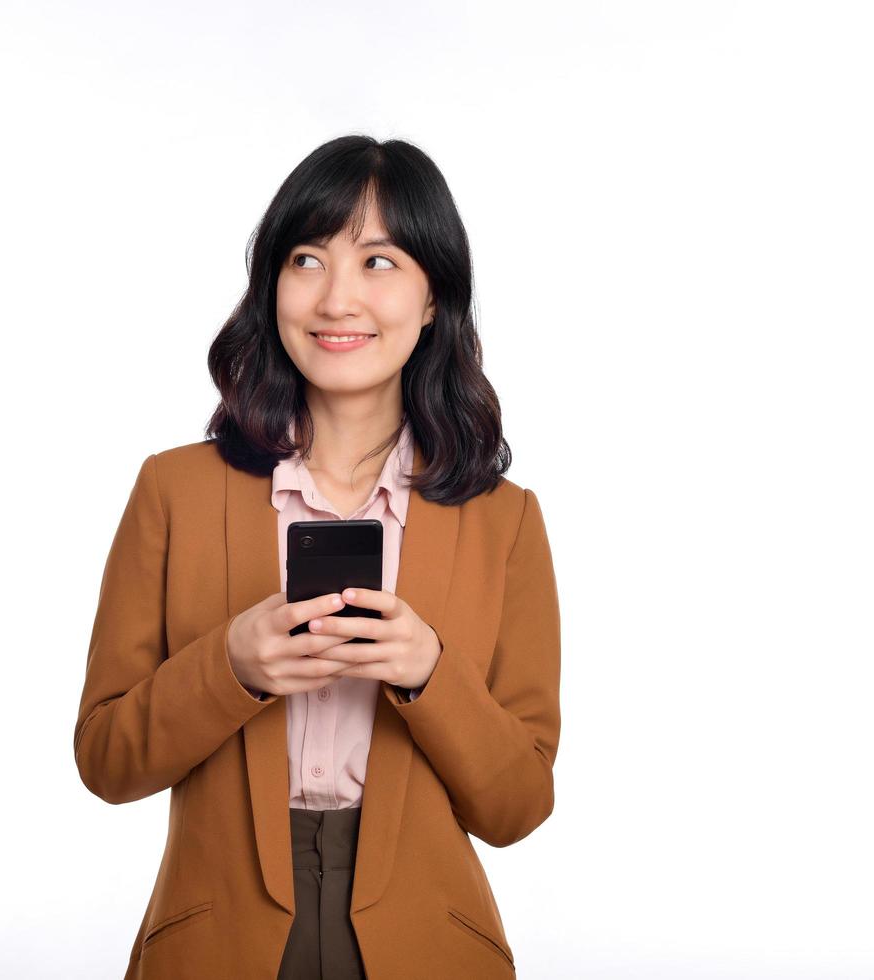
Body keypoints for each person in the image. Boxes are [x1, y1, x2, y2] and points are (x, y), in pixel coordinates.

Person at [74, 134, 561, 979]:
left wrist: (427, 671)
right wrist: (229, 665)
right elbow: (108, 761)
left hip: (427, 948)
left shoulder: (504, 521)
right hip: (218, 942)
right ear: (272, 287)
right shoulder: (173, 491)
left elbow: (517, 805)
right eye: (308, 258)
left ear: (435, 295)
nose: (338, 298)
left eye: (379, 262)